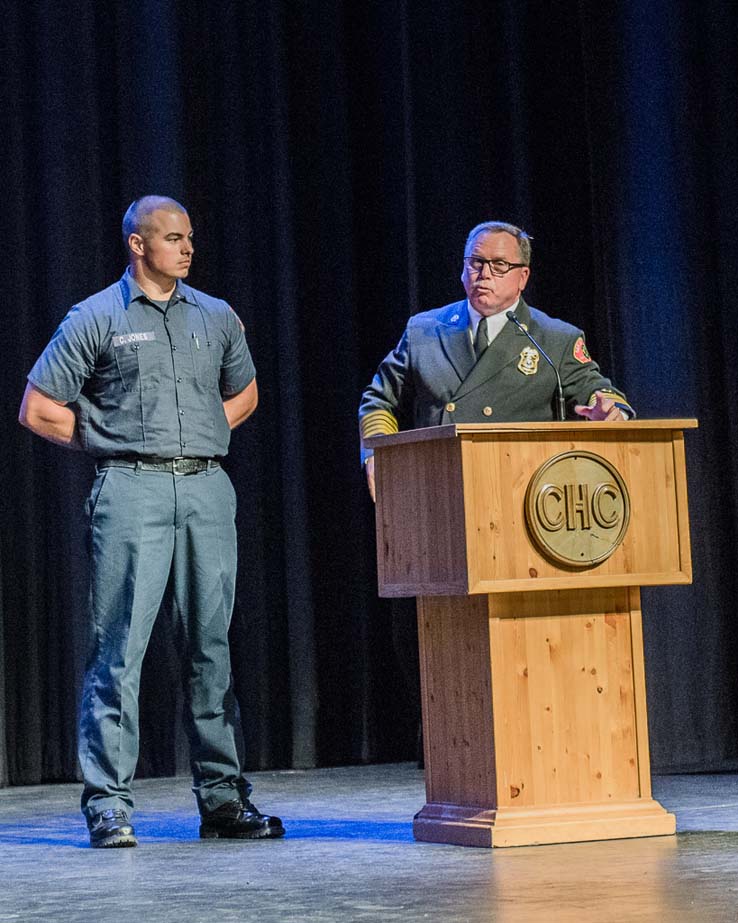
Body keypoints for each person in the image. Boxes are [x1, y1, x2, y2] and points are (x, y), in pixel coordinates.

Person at [19, 196, 285, 848]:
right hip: (131, 490)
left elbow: (246, 390)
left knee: (210, 649)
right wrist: (110, 439)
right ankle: (108, 803)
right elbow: (38, 406)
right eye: (172, 237)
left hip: (205, 490)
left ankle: (223, 799)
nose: (187, 248)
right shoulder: (97, 316)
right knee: (120, 652)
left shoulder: (217, 315)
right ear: (138, 245)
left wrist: (199, 432)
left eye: (190, 237)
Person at [359, 220, 634, 498]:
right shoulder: (424, 331)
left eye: (499, 265)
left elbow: (598, 391)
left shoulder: (554, 339)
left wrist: (610, 413)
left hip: (523, 494)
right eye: (475, 262)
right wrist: (378, 452)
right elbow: (380, 400)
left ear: (523, 277)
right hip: (438, 490)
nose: (484, 274)